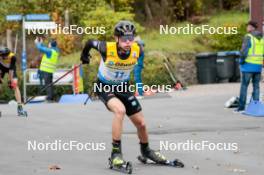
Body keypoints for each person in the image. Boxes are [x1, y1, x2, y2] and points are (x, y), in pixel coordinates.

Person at [80, 21, 181, 166]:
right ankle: (115, 154)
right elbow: (89, 42)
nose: (128, 42)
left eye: (130, 38)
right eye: (124, 39)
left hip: (123, 88)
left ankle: (146, 150)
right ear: (116, 38)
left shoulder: (138, 49)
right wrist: (84, 55)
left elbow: (137, 68)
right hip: (104, 86)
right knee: (120, 111)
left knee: (141, 123)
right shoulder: (105, 48)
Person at [236, 20, 264, 112]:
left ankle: (241, 108)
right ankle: (255, 108)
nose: (246, 28)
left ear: (251, 28)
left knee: (244, 86)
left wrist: (241, 61)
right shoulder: (262, 38)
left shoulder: (248, 37)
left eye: (247, 26)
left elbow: (244, 52)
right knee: (256, 87)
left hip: (248, 65)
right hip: (258, 66)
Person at [0, 47, 27, 116]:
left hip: (11, 69)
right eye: (2, 56)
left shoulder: (12, 57)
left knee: (15, 85)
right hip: (1, 69)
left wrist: (10, 80)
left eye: (5, 56)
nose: (4, 58)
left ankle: (20, 107)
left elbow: (11, 71)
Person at [35, 37, 59, 102]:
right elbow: (45, 48)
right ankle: (51, 97)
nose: (48, 45)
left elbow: (40, 48)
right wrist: (41, 43)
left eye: (49, 44)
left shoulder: (50, 51)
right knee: (50, 84)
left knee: (48, 85)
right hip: (50, 71)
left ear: (50, 45)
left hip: (46, 70)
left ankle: (49, 98)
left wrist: (37, 43)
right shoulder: (55, 51)